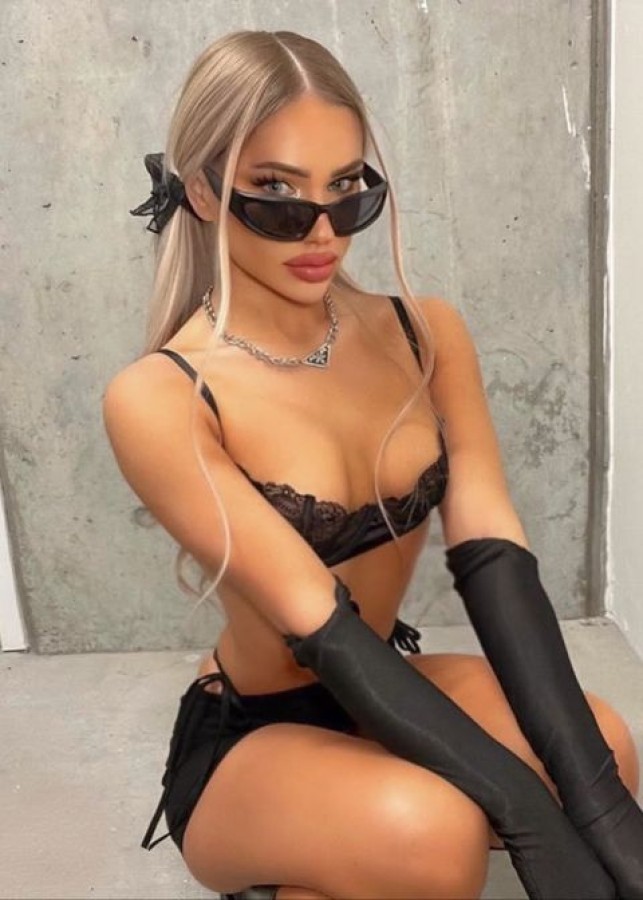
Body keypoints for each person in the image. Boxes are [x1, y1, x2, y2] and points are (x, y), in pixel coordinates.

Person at [103, 29, 643, 900]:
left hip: (385, 688)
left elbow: (492, 554)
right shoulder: (162, 395)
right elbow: (319, 624)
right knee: (437, 834)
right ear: (202, 190)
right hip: (254, 729)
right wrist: (524, 813)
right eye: (278, 194)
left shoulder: (424, 333)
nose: (323, 232)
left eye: (347, 189)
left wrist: (597, 800)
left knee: (604, 746)